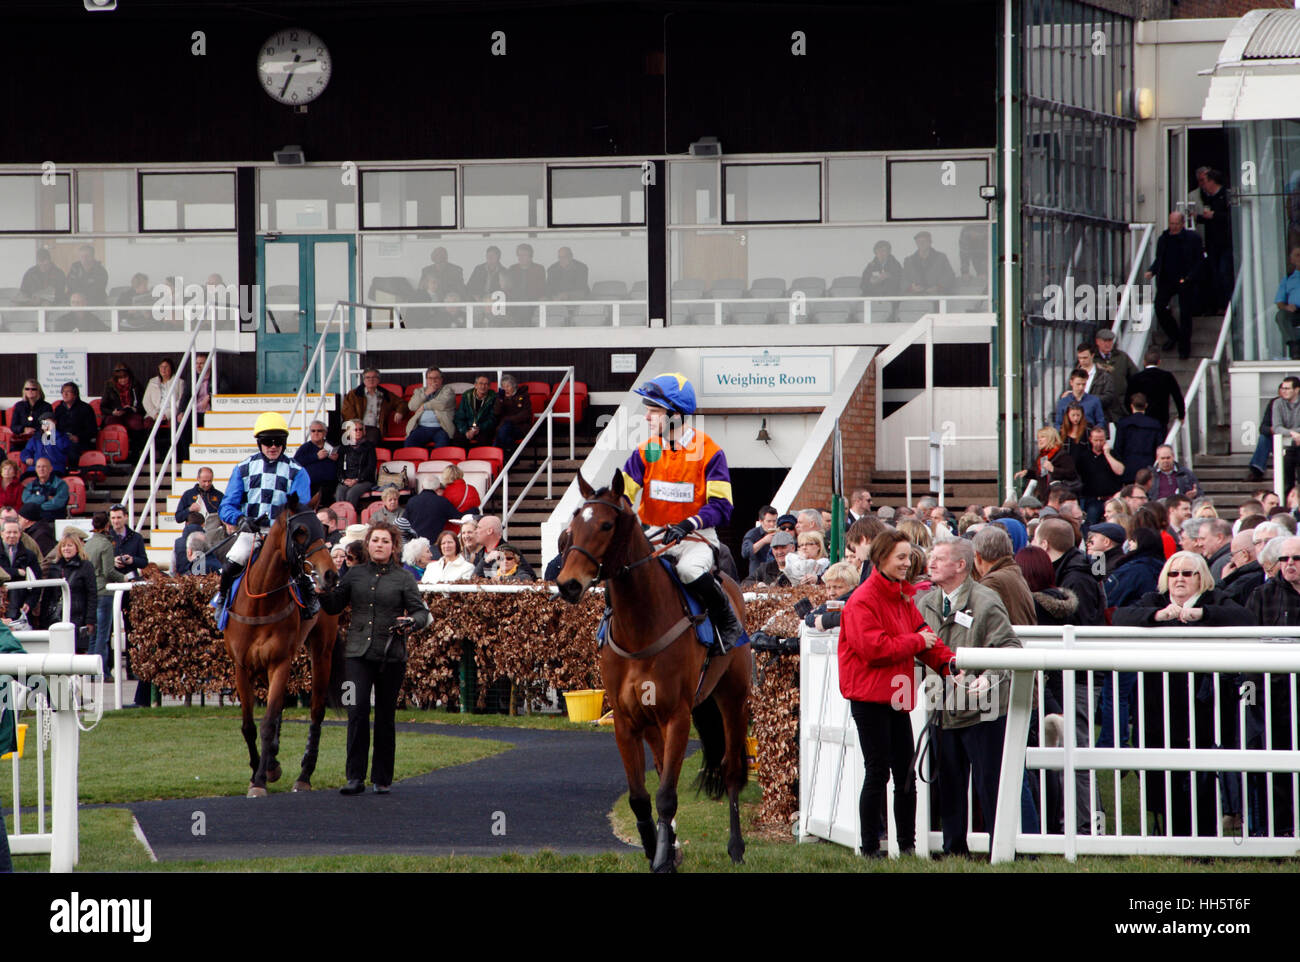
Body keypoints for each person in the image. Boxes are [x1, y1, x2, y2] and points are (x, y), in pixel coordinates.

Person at [1114, 551, 1250, 836]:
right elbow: (1120, 616)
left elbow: (1243, 616)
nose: (1179, 579)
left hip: (1204, 702)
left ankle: (1202, 832)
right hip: (1157, 700)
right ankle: (1167, 830)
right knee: (1158, 765)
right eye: (1174, 573)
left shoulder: (1214, 600)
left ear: (1201, 578)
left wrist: (1203, 614)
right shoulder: (1154, 600)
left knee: (1202, 769)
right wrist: (1158, 615)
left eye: (1187, 573)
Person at [840, 529, 957, 857]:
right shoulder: (862, 600)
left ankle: (906, 847)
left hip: (894, 695)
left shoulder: (902, 597)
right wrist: (920, 643)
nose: (908, 563)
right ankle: (870, 848)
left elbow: (925, 635)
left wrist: (949, 664)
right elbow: (874, 648)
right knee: (877, 772)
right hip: (868, 697)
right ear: (881, 559)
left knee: (905, 774)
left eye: (909, 557)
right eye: (901, 557)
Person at [618, 372, 744, 650]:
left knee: (688, 571)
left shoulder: (710, 452)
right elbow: (623, 495)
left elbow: (722, 507)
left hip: (695, 538)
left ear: (675, 415)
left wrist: (688, 523)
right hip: (655, 536)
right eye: (647, 411)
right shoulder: (646, 451)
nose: (647, 417)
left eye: (654, 411)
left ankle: (727, 621)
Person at [919, 538, 1022, 854]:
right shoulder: (924, 603)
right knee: (948, 782)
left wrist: (987, 678)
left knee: (989, 784)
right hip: (942, 707)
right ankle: (953, 849)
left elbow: (1010, 648)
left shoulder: (985, 600)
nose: (931, 563)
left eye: (939, 558)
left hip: (983, 710)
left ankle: (1000, 849)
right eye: (931, 558)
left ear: (961, 565)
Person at [318, 520, 431, 795]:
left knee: (385, 717)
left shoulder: (403, 578)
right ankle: (354, 778)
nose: (379, 545)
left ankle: (382, 779)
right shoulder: (354, 576)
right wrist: (321, 592)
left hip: (391, 655)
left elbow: (420, 613)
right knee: (356, 713)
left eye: (385, 541)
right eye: (375, 540)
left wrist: (411, 622)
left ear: (394, 547)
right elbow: (334, 606)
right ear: (368, 544)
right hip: (356, 655)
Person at [212, 412, 312, 611]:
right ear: (259, 443)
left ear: (284, 442)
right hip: (252, 532)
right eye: (268, 441)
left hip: (285, 535)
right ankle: (222, 600)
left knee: (303, 567)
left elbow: (302, 507)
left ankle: (310, 603)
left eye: (278, 441)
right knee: (233, 561)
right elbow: (226, 507)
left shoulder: (298, 471)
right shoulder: (242, 468)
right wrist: (241, 520)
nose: (273, 446)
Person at [1241, 535, 1300, 836]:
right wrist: (1252, 696)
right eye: (1284, 559)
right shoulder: (1262, 594)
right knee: (1276, 764)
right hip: (1274, 695)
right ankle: (1278, 829)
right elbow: (1249, 647)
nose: (1289, 564)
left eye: (1296, 559)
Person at [1144, 210, 1205, 359]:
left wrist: (1190, 277)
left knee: (1185, 314)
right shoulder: (1163, 239)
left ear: (1183, 224)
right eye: (1171, 223)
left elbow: (1199, 261)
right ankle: (1174, 335)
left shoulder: (1192, 238)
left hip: (1185, 280)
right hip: (1166, 280)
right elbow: (1160, 259)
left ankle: (1184, 348)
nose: (1173, 227)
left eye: (1176, 224)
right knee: (1159, 307)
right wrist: (1152, 271)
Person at [1196, 169, 1234, 315]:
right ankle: (1218, 306)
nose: (1203, 186)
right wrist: (1197, 217)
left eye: (1205, 182)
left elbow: (1232, 217)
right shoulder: (1208, 198)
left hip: (1225, 243)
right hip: (1212, 244)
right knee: (1214, 275)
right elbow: (1209, 220)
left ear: (1212, 182)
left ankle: (1228, 305)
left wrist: (1215, 215)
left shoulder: (1226, 195)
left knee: (1224, 273)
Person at [1074, 426, 1125, 524]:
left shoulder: (1113, 454)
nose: (1098, 443)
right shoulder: (1084, 456)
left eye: (1101, 440)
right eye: (1095, 440)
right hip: (1093, 499)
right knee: (1091, 521)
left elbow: (1120, 471)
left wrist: (1107, 454)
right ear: (1090, 440)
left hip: (1111, 498)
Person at [1125, 349, 1185, 430]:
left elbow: (1127, 400)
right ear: (1159, 362)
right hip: (1161, 419)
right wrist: (1181, 414)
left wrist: (1133, 414)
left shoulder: (1136, 378)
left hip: (1142, 419)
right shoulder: (1167, 376)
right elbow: (1177, 396)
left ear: (1144, 362)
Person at [341, 369, 404, 446]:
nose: (371, 380)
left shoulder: (385, 395)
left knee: (371, 437)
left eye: (374, 377)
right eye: (368, 377)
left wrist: (400, 411)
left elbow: (402, 403)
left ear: (378, 380)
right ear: (363, 380)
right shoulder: (353, 395)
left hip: (376, 429)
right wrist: (358, 428)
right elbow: (347, 412)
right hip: (358, 428)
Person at [1015, 426, 1079, 496]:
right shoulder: (1042, 456)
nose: (1039, 440)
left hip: (1060, 497)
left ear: (1051, 438)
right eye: (1038, 437)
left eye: (1042, 437)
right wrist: (1027, 473)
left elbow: (1072, 474)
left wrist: (1053, 469)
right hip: (1045, 497)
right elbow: (1041, 476)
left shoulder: (1062, 455)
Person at [0, 518, 41, 623]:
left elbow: (37, 582)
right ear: (2, 533)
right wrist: (16, 572)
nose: (12, 535)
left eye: (15, 532)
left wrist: (29, 603)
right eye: (9, 532)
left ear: (20, 534)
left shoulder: (29, 555)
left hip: (21, 607)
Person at [1094, 328, 1138, 424]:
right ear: (1097, 341)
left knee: (1124, 434)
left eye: (1110, 341)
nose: (1108, 344)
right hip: (1100, 405)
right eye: (1105, 341)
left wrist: (1130, 397)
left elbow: (1136, 377)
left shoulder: (1122, 357)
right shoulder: (1092, 359)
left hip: (1120, 405)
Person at [405, 366, 456, 449]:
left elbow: (443, 403)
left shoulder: (448, 390)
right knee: (409, 443)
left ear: (441, 379)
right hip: (421, 427)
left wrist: (424, 406)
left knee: (442, 447)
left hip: (441, 428)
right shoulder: (419, 391)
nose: (433, 380)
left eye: (436, 378)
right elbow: (412, 406)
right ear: (426, 380)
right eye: (430, 378)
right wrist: (427, 393)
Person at [335, 419, 378, 512]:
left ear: (364, 431)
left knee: (351, 493)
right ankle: (340, 518)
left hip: (364, 480)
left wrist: (357, 479)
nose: (358, 431)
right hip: (347, 479)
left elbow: (371, 467)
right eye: (355, 429)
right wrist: (343, 480)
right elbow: (339, 467)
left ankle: (350, 518)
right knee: (340, 492)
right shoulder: (344, 447)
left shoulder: (369, 447)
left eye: (360, 429)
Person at [803, 561, 859, 632]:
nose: (831, 593)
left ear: (854, 587)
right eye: (828, 588)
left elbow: (810, 620)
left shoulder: (842, 604)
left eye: (838, 587)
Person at [100, 363, 148, 444]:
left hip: (132, 413)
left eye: (125, 377)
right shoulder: (109, 386)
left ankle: (136, 451)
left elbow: (144, 403)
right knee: (112, 423)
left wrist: (134, 409)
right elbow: (103, 407)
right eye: (120, 378)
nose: (123, 380)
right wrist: (113, 412)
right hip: (115, 414)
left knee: (136, 423)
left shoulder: (136, 385)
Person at [901, 230, 955, 299]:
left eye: (924, 241)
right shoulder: (909, 260)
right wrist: (911, 288)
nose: (921, 243)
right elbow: (903, 279)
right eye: (919, 242)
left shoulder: (941, 257)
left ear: (930, 242)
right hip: (915, 297)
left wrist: (938, 287)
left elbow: (949, 275)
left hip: (937, 295)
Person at [450, 375, 498, 451]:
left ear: (489, 386)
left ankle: (481, 461)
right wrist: (465, 431)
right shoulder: (467, 396)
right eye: (480, 383)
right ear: (475, 385)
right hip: (467, 426)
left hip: (483, 428)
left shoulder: (493, 397)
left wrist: (479, 428)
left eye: (486, 384)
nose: (483, 386)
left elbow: (493, 418)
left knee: (484, 440)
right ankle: (463, 461)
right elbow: (460, 416)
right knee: (458, 438)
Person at [293, 421, 338, 502]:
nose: (316, 433)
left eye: (319, 431)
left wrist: (337, 459)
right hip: (310, 485)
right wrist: (316, 456)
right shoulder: (305, 447)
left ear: (325, 433)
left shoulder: (331, 446)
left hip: (330, 484)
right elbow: (295, 463)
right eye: (313, 431)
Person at [403, 479, 459, 543]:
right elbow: (457, 517)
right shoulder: (443, 502)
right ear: (437, 488)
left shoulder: (412, 501)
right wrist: (471, 510)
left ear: (422, 486)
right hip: (434, 543)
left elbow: (404, 521)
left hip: (415, 543)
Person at [51, 381, 97, 460]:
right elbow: (56, 427)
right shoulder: (59, 409)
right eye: (63, 392)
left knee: (70, 449)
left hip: (80, 442)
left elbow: (92, 430)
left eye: (68, 392)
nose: (65, 394)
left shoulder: (85, 408)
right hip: (61, 440)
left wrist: (78, 437)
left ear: (75, 394)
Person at [860, 240, 903, 321]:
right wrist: (871, 282)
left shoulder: (895, 265)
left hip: (890, 298)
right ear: (875, 252)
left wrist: (889, 277)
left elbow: (900, 283)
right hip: (873, 298)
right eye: (879, 251)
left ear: (889, 252)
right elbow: (863, 285)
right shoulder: (870, 266)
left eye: (884, 251)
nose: (881, 253)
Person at [9, 379, 53, 452]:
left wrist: (34, 430)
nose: (30, 391)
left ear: (39, 391)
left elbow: (47, 425)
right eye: (27, 389)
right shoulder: (19, 406)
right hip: (21, 440)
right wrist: (23, 429)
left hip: (39, 439)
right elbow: (13, 426)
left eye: (33, 389)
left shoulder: (46, 407)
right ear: (24, 391)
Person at [1273, 246, 1300, 359]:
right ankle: (1295, 347)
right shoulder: (1288, 278)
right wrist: (1287, 307)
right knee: (1281, 315)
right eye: (1298, 255)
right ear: (1292, 260)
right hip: (1295, 312)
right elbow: (1279, 302)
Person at [492, 374, 531, 450]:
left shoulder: (523, 396)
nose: (505, 389)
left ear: (514, 386)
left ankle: (495, 452)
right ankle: (512, 458)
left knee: (503, 430)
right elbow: (496, 413)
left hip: (520, 427)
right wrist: (500, 401)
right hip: (504, 428)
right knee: (505, 435)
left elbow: (525, 414)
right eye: (503, 387)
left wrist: (508, 420)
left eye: (508, 386)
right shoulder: (500, 397)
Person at [741, 505, 778, 579]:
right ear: (761, 521)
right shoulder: (752, 534)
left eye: (774, 521)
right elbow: (745, 553)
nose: (772, 524)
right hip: (758, 577)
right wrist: (764, 541)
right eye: (769, 521)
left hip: (775, 575)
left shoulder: (779, 533)